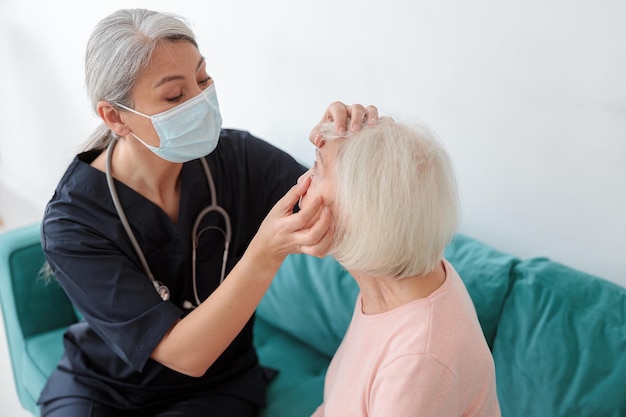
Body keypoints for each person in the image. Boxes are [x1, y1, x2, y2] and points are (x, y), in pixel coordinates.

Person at [38, 8, 377, 417]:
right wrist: (265, 252)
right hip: (101, 387)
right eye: (174, 96)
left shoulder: (239, 159)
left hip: (217, 385)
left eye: (202, 78)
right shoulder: (72, 222)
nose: (199, 102)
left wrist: (346, 151)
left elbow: (339, 212)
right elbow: (184, 353)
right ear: (115, 117)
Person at [300, 117, 501, 416]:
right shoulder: (393, 276)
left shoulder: (417, 362)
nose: (301, 182)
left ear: (360, 214)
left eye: (317, 169)